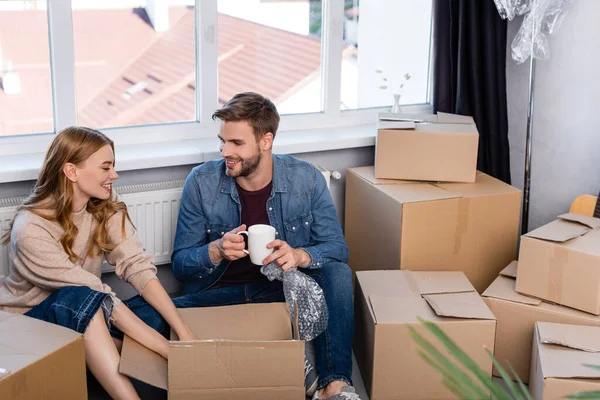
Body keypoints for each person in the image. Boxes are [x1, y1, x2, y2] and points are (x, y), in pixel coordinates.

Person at [171, 92, 359, 400]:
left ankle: (334, 385)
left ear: (266, 141)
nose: (225, 152)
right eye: (222, 141)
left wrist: (300, 255)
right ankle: (286, 363)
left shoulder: (307, 179)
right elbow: (180, 264)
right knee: (144, 311)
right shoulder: (201, 182)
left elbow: (337, 248)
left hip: (279, 291)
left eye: (236, 143)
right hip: (219, 293)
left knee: (338, 273)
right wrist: (215, 250)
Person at [0, 126, 195, 400]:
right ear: (71, 171)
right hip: (31, 326)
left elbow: (136, 265)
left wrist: (183, 333)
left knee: (155, 313)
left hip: (87, 311)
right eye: (106, 167)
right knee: (83, 299)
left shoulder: (102, 205)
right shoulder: (30, 228)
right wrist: (168, 350)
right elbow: (92, 292)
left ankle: (95, 351)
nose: (114, 175)